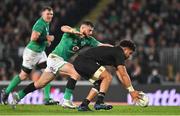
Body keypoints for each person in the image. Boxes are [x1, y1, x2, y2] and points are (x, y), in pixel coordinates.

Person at [10, 21, 112, 108]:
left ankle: (18, 96)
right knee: (75, 72)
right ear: (82, 28)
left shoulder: (88, 40)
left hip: (58, 61)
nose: (91, 32)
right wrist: (73, 31)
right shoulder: (72, 32)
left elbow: (101, 45)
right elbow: (63, 27)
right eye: (89, 30)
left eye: (92, 31)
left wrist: (116, 49)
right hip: (55, 58)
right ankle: (66, 100)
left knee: (40, 84)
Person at [0, 6, 59, 105]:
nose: (50, 16)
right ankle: (6, 93)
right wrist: (46, 38)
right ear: (42, 14)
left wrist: (46, 42)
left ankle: (47, 98)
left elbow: (41, 39)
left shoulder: (46, 23)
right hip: (32, 53)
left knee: (48, 72)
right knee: (23, 76)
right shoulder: (40, 24)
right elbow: (33, 38)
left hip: (40, 52)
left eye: (51, 14)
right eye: (48, 14)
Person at [69, 40, 142, 111]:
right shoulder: (119, 53)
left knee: (100, 83)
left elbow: (120, 75)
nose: (129, 56)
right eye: (130, 53)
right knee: (108, 76)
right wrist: (132, 91)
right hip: (85, 61)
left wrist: (130, 90)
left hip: (78, 63)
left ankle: (84, 105)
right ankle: (99, 102)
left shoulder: (115, 52)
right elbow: (124, 74)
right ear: (125, 49)